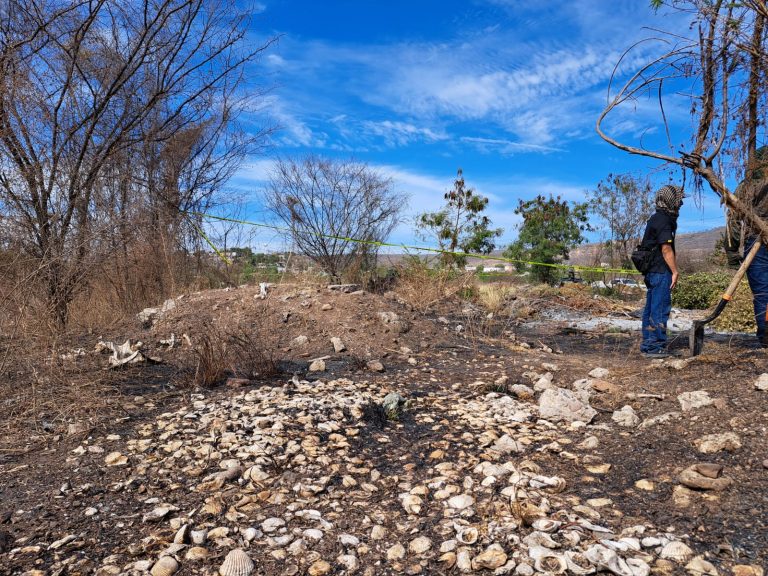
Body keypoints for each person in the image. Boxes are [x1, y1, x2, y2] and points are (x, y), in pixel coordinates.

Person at [724, 146, 768, 347]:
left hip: (755, 243)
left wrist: (732, 251)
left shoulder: (746, 186)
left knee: (762, 292)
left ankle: (765, 335)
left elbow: (732, 220)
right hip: (757, 242)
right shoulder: (747, 186)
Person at [639, 184, 685, 358]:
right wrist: (674, 271)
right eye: (679, 200)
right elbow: (666, 249)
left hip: (652, 271)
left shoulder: (655, 218)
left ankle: (649, 344)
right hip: (660, 271)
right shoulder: (664, 220)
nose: (680, 203)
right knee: (659, 309)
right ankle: (654, 346)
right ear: (670, 200)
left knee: (650, 309)